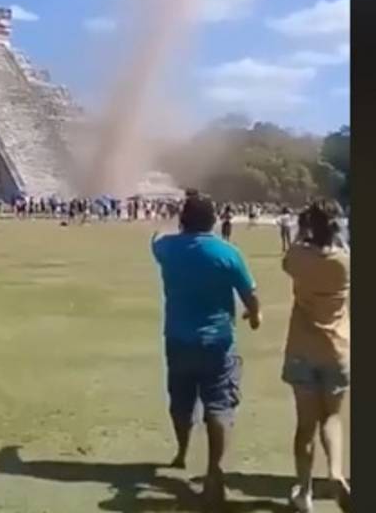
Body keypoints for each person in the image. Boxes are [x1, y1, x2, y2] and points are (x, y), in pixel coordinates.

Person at [151, 195, 261, 508]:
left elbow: (156, 238)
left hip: (177, 338)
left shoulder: (167, 249)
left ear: (183, 220)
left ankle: (182, 452)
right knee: (219, 404)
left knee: (180, 401)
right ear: (214, 221)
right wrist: (255, 315)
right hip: (217, 341)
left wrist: (168, 220)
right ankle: (215, 471)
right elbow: (249, 295)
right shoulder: (227, 253)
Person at [281, 203, 352, 512]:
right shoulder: (345, 260)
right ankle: (335, 472)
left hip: (302, 348)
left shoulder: (299, 256)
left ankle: (304, 491)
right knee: (332, 418)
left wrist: (302, 232)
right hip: (337, 348)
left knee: (305, 425)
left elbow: (288, 261)